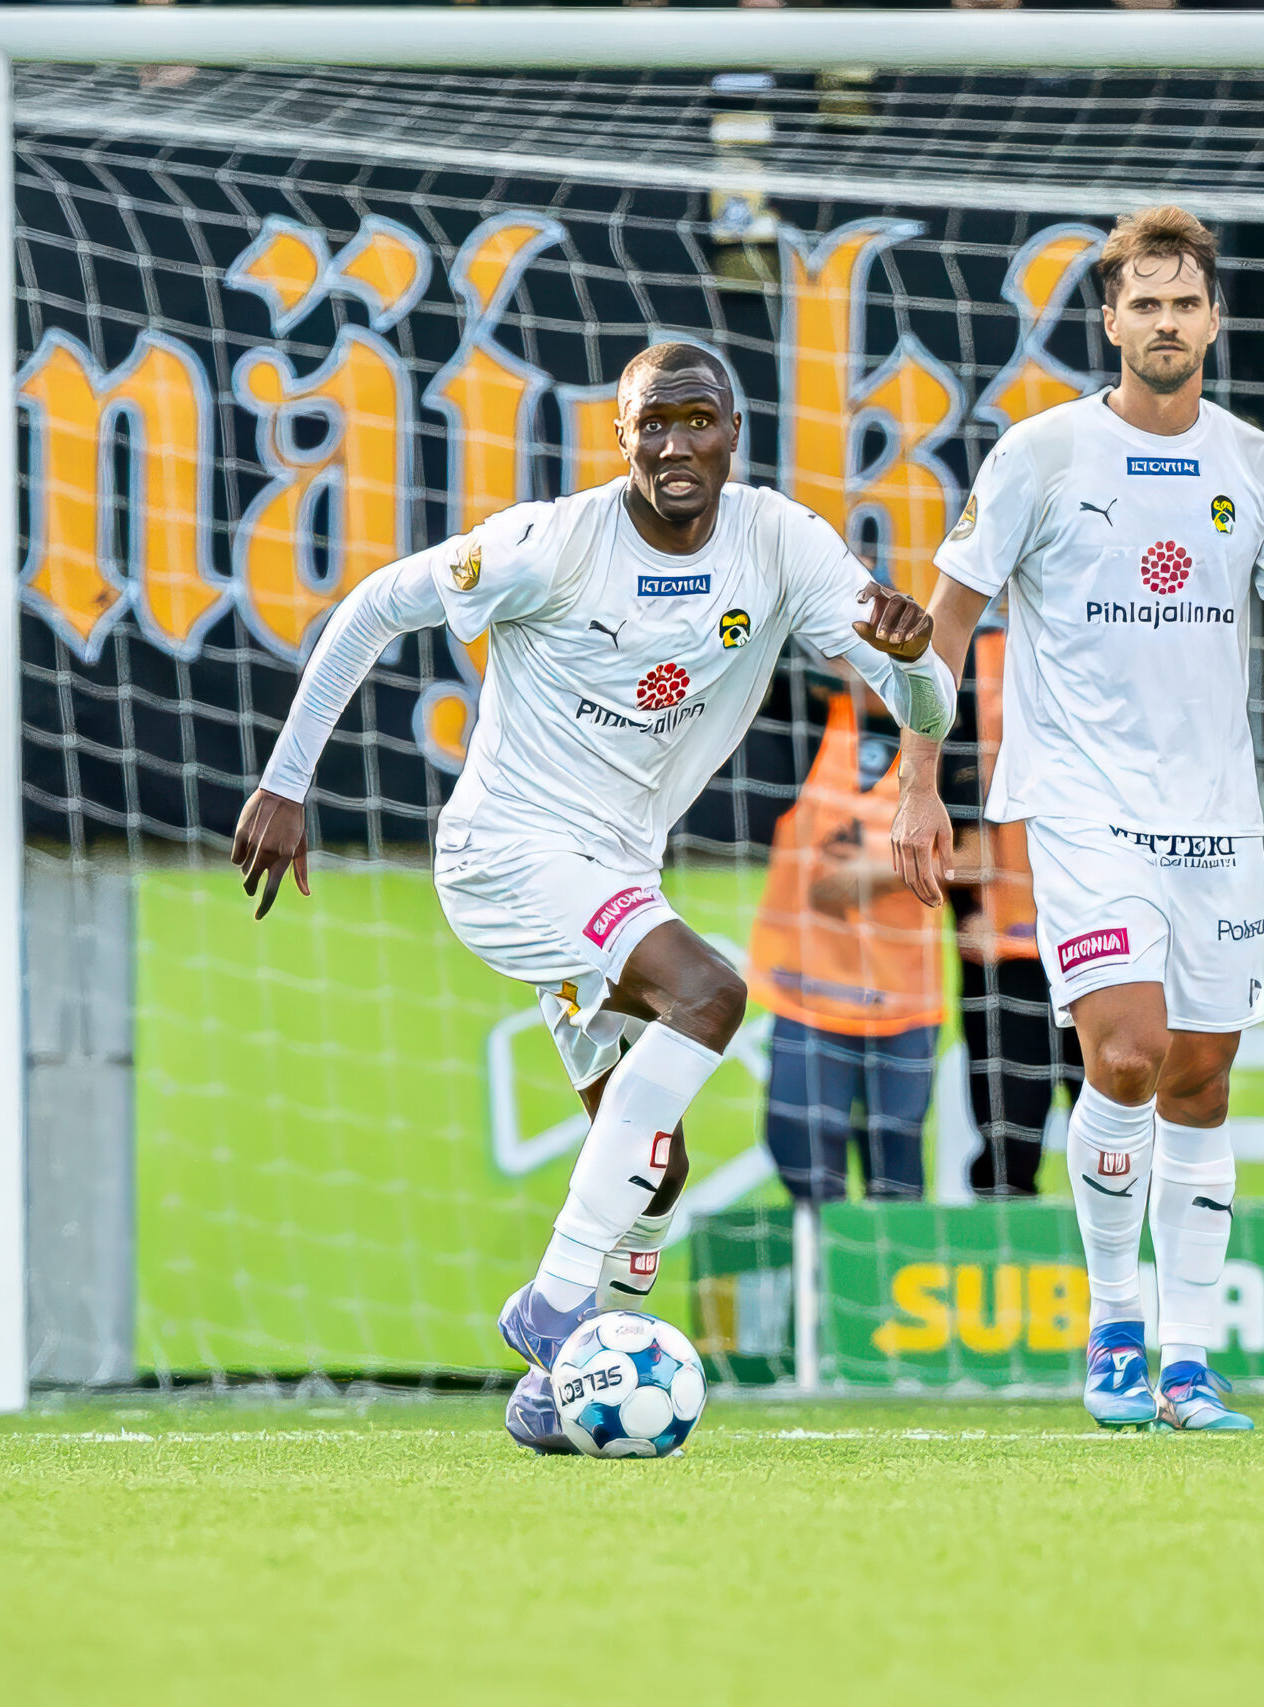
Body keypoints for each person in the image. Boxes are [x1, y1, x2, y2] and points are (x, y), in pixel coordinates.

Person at [233, 343, 955, 1454]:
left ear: (733, 431)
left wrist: (910, 669)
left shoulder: (780, 543)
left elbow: (926, 696)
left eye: (697, 420)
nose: (675, 444)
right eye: (651, 424)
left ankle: (554, 1392)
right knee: (710, 993)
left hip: (614, 872)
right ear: (619, 437)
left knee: (656, 1176)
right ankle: (556, 1299)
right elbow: (375, 605)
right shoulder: (553, 543)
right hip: (506, 853)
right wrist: (286, 784)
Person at [890, 205, 1264, 1434]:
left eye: (1184, 303)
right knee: (1124, 1054)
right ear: (1109, 323)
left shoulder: (1256, 466)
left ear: (1212, 320)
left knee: (1202, 1082)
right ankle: (1115, 1328)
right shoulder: (1039, 457)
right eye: (1144, 304)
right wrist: (917, 783)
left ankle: (1188, 1359)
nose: (1165, 322)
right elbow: (942, 628)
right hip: (1079, 807)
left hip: (1217, 818)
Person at [747, 674, 944, 1204]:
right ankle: (819, 1252)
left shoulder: (944, 728)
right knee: (798, 1149)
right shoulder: (810, 721)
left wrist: (877, 877)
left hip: (901, 999)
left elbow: (980, 854)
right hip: (808, 990)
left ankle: (891, 1259)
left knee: (896, 1167)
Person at [941, 623, 1082, 1196]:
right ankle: (1006, 1243)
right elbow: (948, 782)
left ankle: (1138, 1250)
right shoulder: (972, 656)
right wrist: (966, 905)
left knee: (1122, 1127)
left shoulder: (1108, 631)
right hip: (1006, 942)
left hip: (1104, 931)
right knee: (1008, 1139)